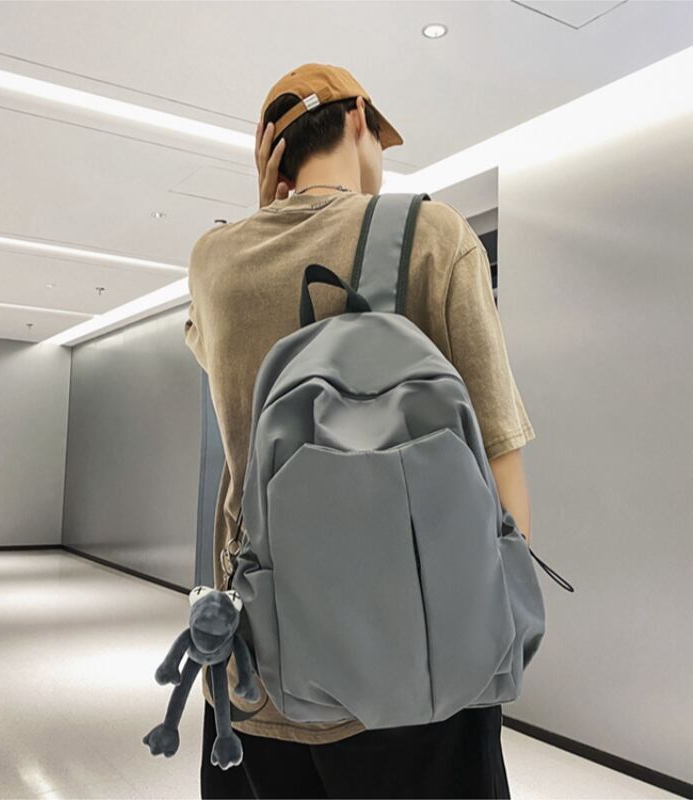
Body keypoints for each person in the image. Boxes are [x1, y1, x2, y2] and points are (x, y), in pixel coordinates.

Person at [184, 63, 535, 799]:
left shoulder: (213, 261)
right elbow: (500, 459)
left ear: (274, 155)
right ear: (357, 120)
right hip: (415, 677)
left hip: (256, 675)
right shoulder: (434, 235)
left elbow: (208, 346)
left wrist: (262, 215)